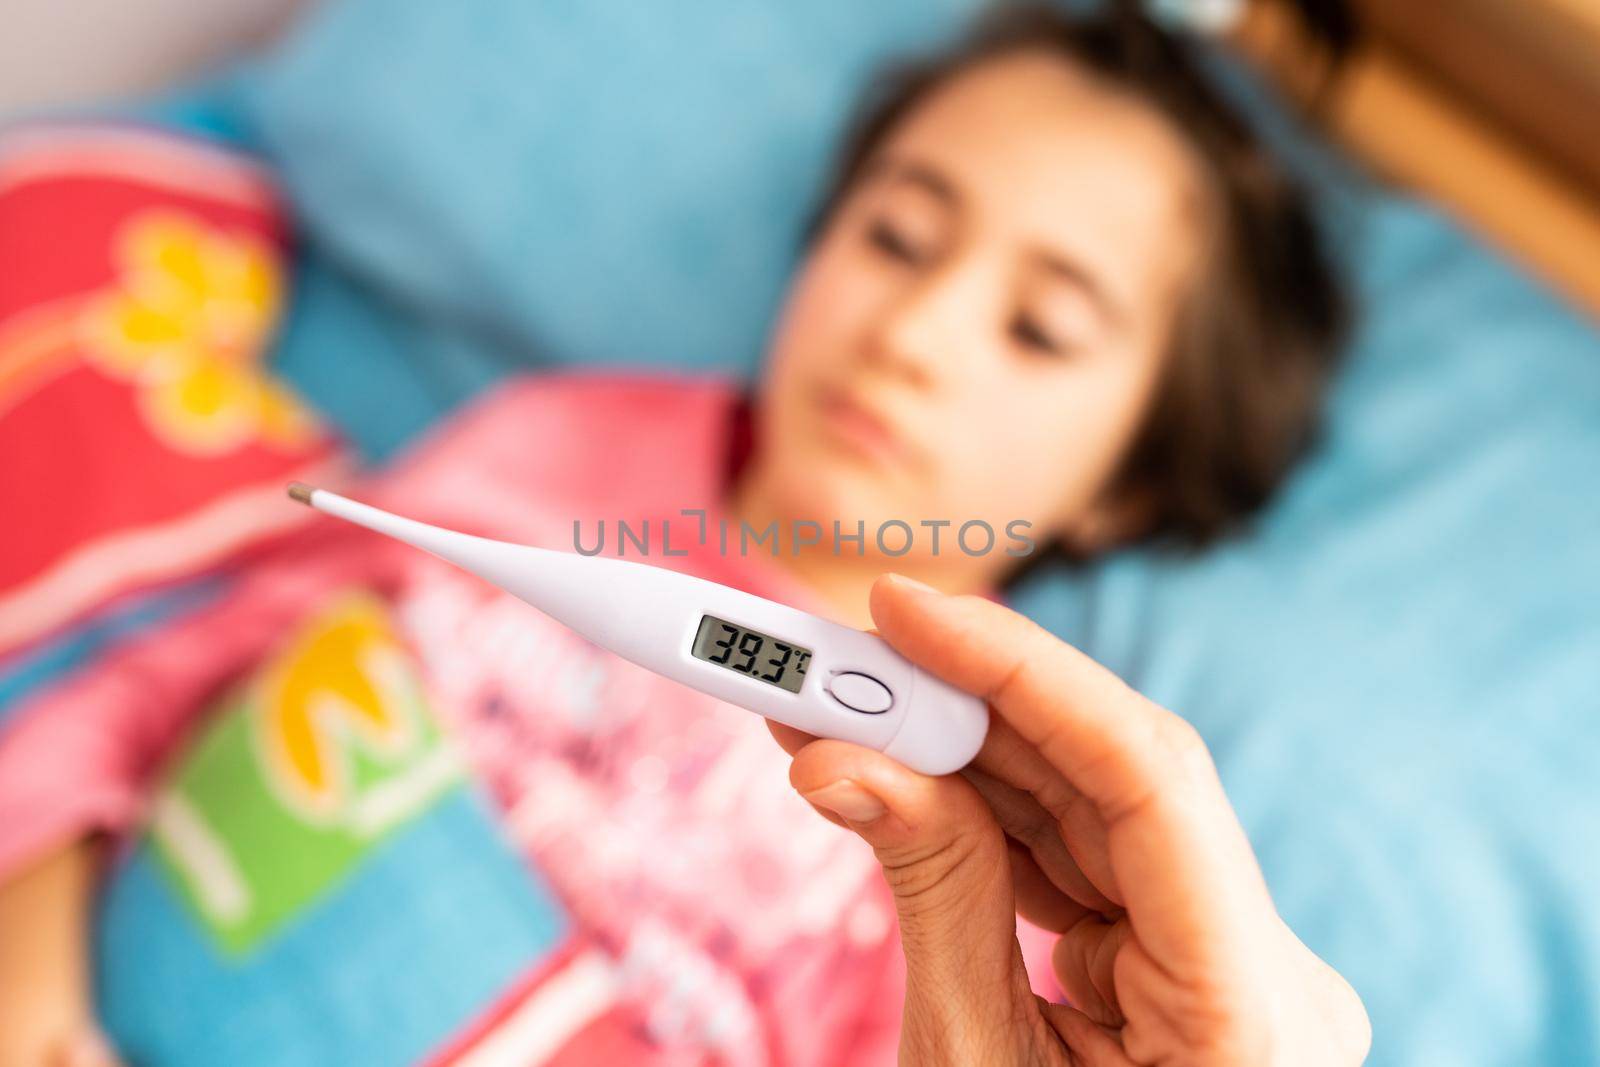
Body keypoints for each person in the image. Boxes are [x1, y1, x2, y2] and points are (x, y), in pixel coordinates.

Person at [0, 5, 1357, 1065]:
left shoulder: (1014, 837)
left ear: (1127, 488)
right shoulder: (559, 452)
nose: (914, 332)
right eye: (896, 235)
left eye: (1039, 329)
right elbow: (192, 670)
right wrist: (35, 952)